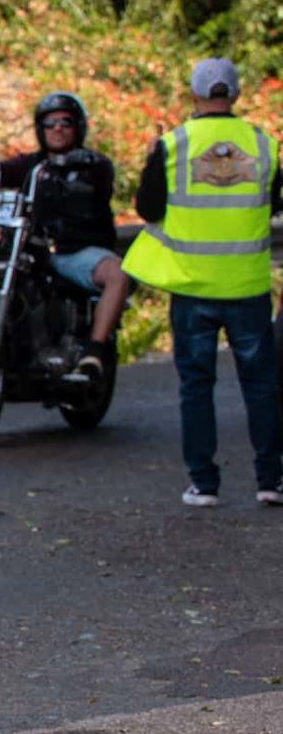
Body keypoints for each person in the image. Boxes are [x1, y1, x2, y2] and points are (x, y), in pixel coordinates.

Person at [120, 58, 283, 508]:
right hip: (246, 286)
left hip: (192, 286)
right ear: (235, 95)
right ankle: (271, 479)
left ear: (193, 95)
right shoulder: (264, 145)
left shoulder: (173, 145)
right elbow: (272, 206)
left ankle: (204, 484)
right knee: (261, 386)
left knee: (196, 387)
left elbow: (148, 209)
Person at [0, 91, 131, 379]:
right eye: (50, 123)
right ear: (40, 129)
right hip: (35, 249)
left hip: (75, 251)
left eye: (65, 122)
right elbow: (3, 171)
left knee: (117, 273)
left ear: (77, 127)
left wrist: (75, 175)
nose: (57, 129)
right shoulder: (33, 165)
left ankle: (93, 350)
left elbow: (101, 181)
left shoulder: (93, 165)